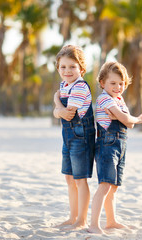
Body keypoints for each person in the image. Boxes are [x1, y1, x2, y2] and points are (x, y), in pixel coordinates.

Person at [87, 61, 142, 234]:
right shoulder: (104, 98)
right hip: (107, 144)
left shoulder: (119, 100)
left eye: (121, 83)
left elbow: (129, 125)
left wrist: (125, 119)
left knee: (113, 186)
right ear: (102, 83)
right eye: (113, 83)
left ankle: (112, 221)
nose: (118, 87)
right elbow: (128, 119)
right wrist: (134, 118)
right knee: (105, 185)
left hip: (121, 144)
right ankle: (94, 224)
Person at [53, 45, 95, 230]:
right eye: (63, 67)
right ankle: (72, 217)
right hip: (68, 138)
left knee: (80, 179)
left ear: (81, 70)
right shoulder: (64, 85)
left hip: (81, 138)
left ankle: (82, 220)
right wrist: (58, 111)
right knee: (69, 178)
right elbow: (58, 114)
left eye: (72, 67)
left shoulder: (79, 87)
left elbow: (67, 114)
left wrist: (56, 104)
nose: (67, 71)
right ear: (58, 69)